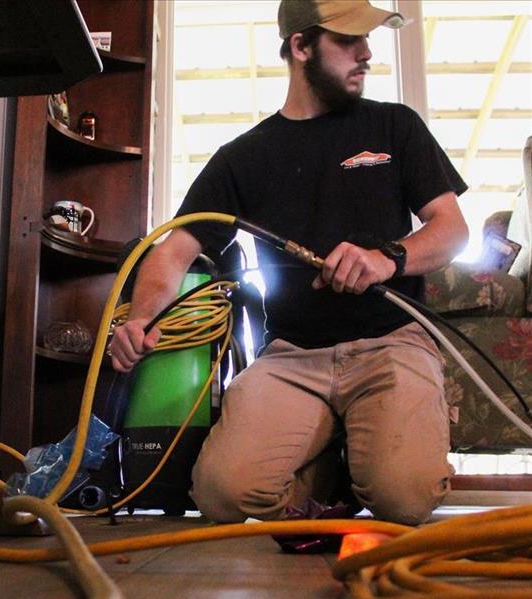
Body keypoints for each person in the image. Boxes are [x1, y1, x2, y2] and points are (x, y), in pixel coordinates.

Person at [109, 0, 469, 526]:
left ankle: (372, 454)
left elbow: (452, 230)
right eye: (348, 41)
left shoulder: (396, 127)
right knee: (222, 495)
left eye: (366, 40)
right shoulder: (243, 157)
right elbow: (174, 251)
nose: (366, 53)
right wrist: (140, 319)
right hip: (292, 357)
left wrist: (388, 258)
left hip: (392, 344)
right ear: (300, 47)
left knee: (404, 499)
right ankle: (333, 465)